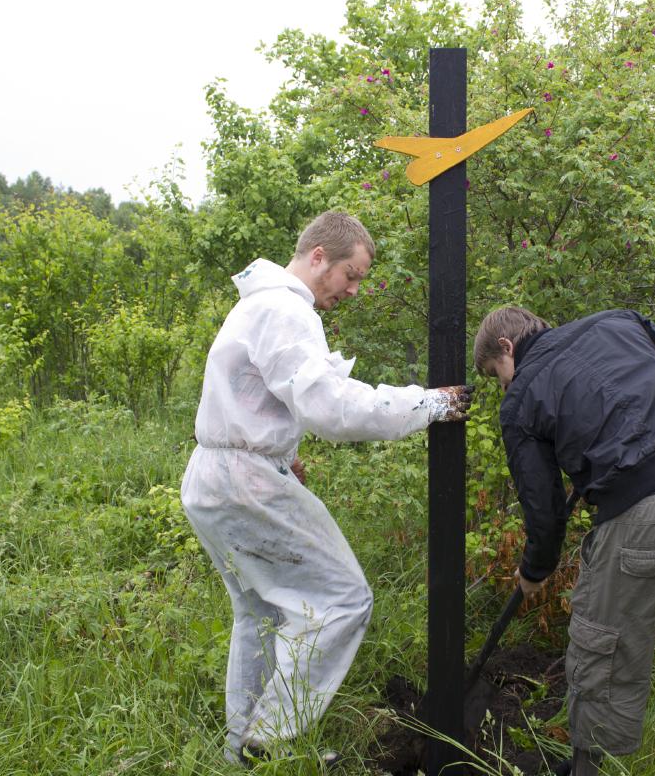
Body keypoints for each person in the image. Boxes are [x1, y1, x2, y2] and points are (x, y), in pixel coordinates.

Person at [181, 211, 473, 766]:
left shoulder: (258, 305)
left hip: (214, 476)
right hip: (243, 481)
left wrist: (282, 456)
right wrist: (427, 403)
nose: (355, 290)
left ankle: (238, 751)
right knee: (343, 598)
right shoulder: (287, 310)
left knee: (263, 614)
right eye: (351, 273)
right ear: (318, 257)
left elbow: (252, 399)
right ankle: (271, 739)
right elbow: (331, 408)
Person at [472, 306, 655, 775]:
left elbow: (544, 512)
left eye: (496, 374)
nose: (503, 386)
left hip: (640, 516)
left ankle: (589, 769)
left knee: (604, 654)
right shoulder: (619, 322)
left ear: (506, 347)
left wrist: (534, 571)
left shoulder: (522, 396)